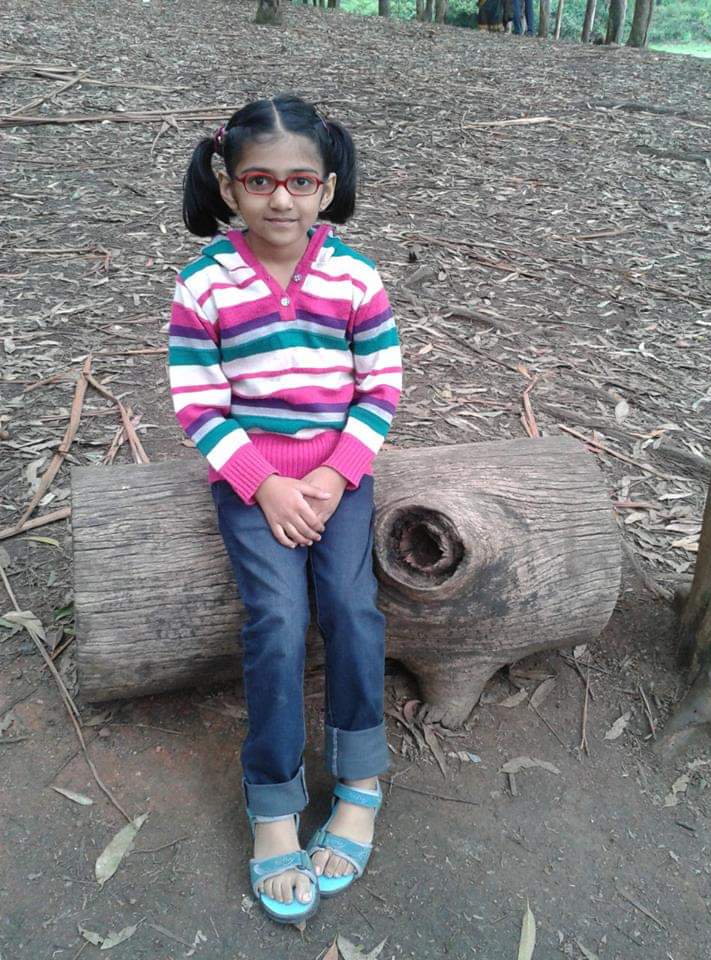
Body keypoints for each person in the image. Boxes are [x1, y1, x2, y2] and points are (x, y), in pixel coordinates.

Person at [169, 94, 402, 925]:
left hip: (340, 478)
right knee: (276, 616)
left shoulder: (355, 277)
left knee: (350, 605)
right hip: (251, 480)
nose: (280, 198)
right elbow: (199, 402)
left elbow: (379, 388)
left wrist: (336, 476)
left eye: (301, 181)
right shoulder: (205, 283)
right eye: (259, 180)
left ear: (327, 188)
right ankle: (273, 804)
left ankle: (361, 779)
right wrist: (263, 483)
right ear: (229, 186)